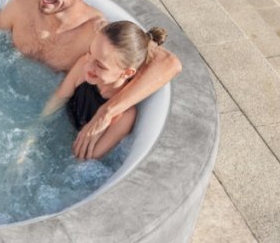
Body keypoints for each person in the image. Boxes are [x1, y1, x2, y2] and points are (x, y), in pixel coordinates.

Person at [43, 21, 180, 160]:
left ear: (126, 73)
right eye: (90, 53)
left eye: (100, 65)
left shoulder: (124, 117)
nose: (88, 66)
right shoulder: (83, 66)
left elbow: (86, 159)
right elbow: (58, 99)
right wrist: (34, 133)